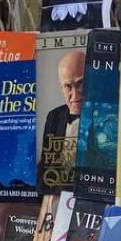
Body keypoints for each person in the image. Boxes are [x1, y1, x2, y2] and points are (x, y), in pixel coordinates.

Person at [39, 50, 85, 185]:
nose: (75, 94)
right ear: (61, 88)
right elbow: (45, 166)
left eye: (80, 83)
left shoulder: (107, 117)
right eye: (68, 86)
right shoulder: (54, 116)